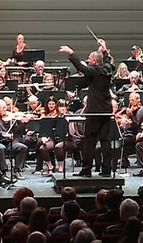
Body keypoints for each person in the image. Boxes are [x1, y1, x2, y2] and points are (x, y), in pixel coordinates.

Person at [59, 38, 113, 177]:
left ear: (94, 61)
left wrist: (71, 53)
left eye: (89, 59)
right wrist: (104, 49)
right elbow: (107, 60)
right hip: (106, 110)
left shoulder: (94, 71)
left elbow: (81, 68)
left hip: (95, 111)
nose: (88, 61)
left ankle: (86, 170)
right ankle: (107, 170)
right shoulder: (108, 69)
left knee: (89, 140)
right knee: (105, 141)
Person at [0, 99, 29, 174]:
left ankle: (17, 170)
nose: (6, 109)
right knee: (1, 148)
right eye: (3, 108)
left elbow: (17, 130)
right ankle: (3, 171)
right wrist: (3, 134)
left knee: (22, 147)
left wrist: (24, 124)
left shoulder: (10, 117)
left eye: (6, 107)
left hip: (8, 142)